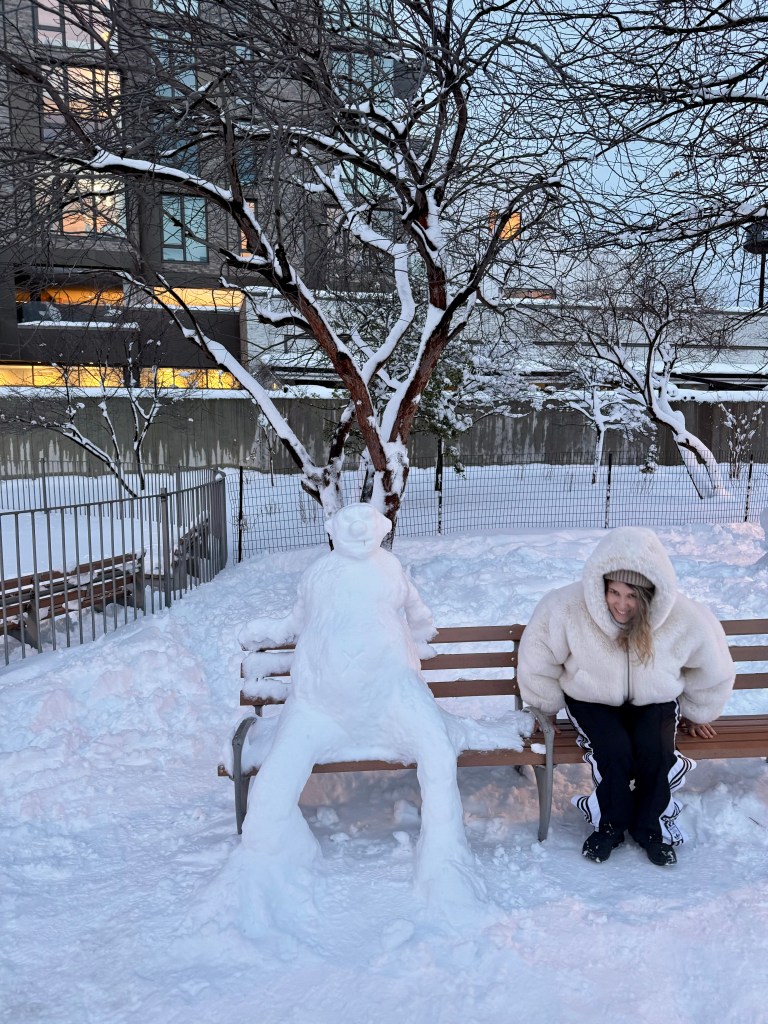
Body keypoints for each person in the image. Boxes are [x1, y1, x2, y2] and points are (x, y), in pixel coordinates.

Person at [517, 526, 735, 867]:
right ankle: (611, 826)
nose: (621, 604)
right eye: (614, 592)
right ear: (600, 585)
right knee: (613, 751)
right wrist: (544, 707)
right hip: (591, 700)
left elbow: (713, 665)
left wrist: (697, 711)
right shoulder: (565, 608)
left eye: (632, 596)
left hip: (655, 701)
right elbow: (538, 655)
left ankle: (650, 829)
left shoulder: (684, 617)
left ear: (650, 594)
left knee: (656, 750)